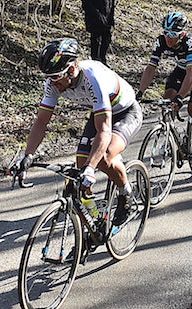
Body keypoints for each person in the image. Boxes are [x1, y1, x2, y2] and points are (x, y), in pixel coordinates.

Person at [10, 37, 142, 225]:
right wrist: (27, 156)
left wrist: (91, 168)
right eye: (48, 78)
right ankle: (92, 226)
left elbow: (104, 130)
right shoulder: (54, 82)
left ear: (71, 70)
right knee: (77, 175)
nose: (51, 83)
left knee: (103, 158)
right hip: (99, 112)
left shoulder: (93, 78)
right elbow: (41, 122)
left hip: (125, 112)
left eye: (55, 77)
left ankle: (126, 194)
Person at [136, 11, 192, 161]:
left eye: (172, 34)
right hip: (181, 68)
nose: (168, 37)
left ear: (182, 33)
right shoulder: (161, 42)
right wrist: (140, 92)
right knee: (167, 100)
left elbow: (191, 74)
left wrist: (180, 97)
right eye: (166, 33)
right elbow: (151, 68)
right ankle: (169, 136)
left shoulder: (190, 43)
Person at [80, 0, 115, 64]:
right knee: (95, 42)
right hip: (94, 20)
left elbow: (112, 2)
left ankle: (103, 61)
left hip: (107, 20)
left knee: (107, 40)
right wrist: (98, 16)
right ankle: (95, 62)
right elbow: (86, 4)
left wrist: (111, 18)